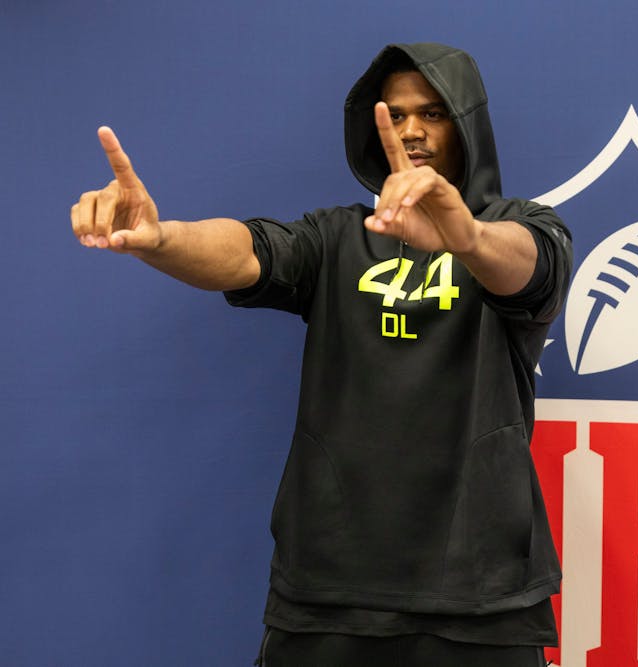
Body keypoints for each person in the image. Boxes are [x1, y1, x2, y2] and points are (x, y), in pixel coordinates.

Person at [70, 43, 572, 667]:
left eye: (434, 112)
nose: (412, 129)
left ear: (468, 124)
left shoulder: (521, 228)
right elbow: (249, 250)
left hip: (482, 603)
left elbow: (528, 267)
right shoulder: (338, 236)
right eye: (397, 112)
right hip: (327, 593)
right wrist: (161, 238)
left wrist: (464, 235)